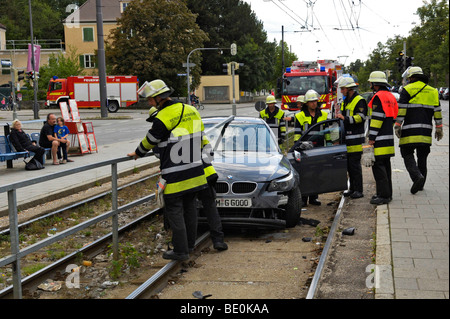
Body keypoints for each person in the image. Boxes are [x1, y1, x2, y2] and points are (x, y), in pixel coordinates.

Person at [127, 79, 208, 261]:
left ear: (158, 98)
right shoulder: (192, 110)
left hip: (175, 173)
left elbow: (151, 139)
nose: (149, 103)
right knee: (190, 210)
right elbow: (202, 137)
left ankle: (180, 251)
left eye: (150, 100)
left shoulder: (163, 116)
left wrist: (138, 152)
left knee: (175, 211)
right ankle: (189, 245)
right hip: (195, 170)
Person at [395, 66, 443, 194]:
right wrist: (439, 128)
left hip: (410, 131)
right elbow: (437, 110)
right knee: (423, 157)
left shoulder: (407, 89)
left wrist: (398, 124)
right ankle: (421, 184)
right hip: (426, 132)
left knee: (406, 153)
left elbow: (402, 109)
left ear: (411, 77)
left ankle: (417, 177)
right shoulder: (433, 91)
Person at [367, 71, 398, 205]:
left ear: (375, 83)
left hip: (379, 138)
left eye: (371, 83)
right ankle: (386, 193)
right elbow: (394, 116)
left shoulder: (378, 97)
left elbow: (377, 119)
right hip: (388, 137)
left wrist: (372, 137)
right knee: (386, 166)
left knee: (378, 167)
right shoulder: (390, 96)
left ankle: (384, 196)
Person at [294, 89, 328, 206]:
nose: (314, 103)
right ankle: (303, 199)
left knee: (316, 173)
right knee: (305, 174)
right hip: (305, 150)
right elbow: (297, 134)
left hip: (319, 148)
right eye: (311, 101)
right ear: (306, 103)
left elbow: (327, 132)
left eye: (315, 101)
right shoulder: (299, 116)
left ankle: (314, 198)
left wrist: (329, 146)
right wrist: (298, 146)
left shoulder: (324, 115)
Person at [336, 76, 368, 199]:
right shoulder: (346, 101)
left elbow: (361, 117)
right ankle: (352, 189)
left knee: (355, 166)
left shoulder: (359, 100)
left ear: (349, 89)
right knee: (349, 166)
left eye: (343, 89)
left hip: (356, 138)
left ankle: (359, 190)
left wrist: (346, 118)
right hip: (347, 139)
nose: (342, 91)